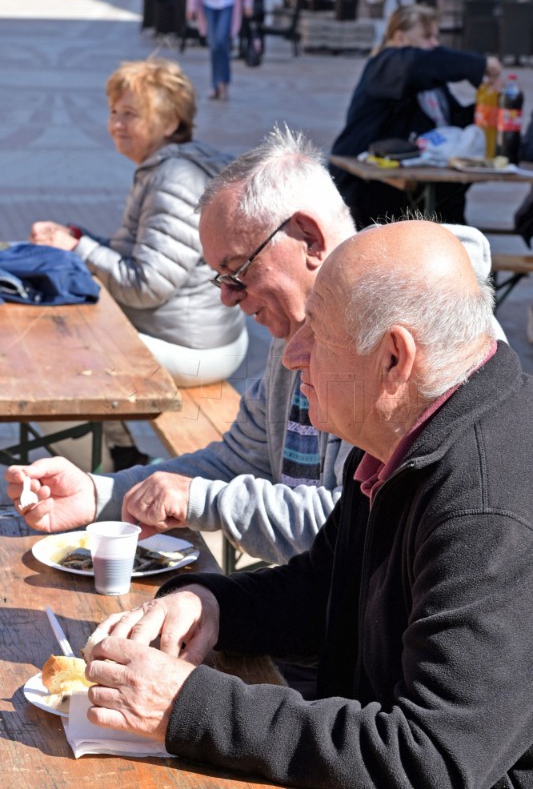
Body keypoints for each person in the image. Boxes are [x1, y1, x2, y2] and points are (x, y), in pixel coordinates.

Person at [76, 219, 532, 788]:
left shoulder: (487, 510)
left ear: (394, 358)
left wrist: (188, 706)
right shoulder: (409, 435)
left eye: (318, 330)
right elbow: (326, 591)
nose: (293, 354)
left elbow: (428, 760)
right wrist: (212, 605)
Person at [7, 130, 506, 566]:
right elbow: (240, 459)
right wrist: (101, 492)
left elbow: (346, 525)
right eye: (219, 278)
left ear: (308, 238)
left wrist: (201, 501)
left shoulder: (398, 337)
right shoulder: (297, 329)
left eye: (238, 271)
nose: (226, 297)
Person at [29, 57, 247, 469]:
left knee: (50, 363)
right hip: (194, 334)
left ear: (169, 123)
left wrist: (76, 249)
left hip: (195, 347)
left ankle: (101, 479)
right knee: (67, 336)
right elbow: (139, 259)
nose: (116, 123)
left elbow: (146, 285)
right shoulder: (166, 168)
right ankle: (121, 454)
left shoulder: (175, 178)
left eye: (131, 114)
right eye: (114, 111)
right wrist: (77, 238)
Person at [329, 5, 502, 229]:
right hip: (369, 195)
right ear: (399, 38)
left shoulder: (431, 84)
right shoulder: (385, 64)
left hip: (420, 194)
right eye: (427, 37)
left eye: (437, 37)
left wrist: (489, 103)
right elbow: (421, 64)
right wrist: (481, 65)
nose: (435, 45)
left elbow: (452, 124)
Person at [186, 0, 253, 101]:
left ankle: (223, 83)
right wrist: (191, 6)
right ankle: (215, 84)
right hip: (208, 3)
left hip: (228, 2)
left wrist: (248, 3)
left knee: (221, 41)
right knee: (213, 45)